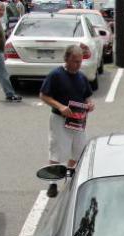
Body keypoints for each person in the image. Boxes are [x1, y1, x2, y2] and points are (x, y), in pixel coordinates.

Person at [39, 45, 95, 198]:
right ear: (66, 59)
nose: (78, 65)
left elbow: (87, 96)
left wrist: (90, 104)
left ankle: (69, 180)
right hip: (59, 118)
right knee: (57, 150)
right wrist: (60, 106)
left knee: (78, 150)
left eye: (80, 61)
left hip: (78, 120)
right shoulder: (56, 75)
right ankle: (53, 183)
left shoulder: (82, 77)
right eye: (75, 61)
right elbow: (44, 95)